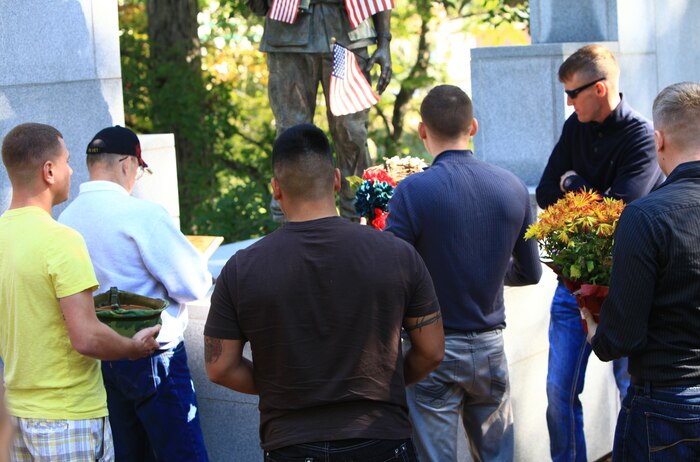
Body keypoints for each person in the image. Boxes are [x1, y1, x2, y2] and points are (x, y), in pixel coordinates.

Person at [203, 123, 444, 461]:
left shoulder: (242, 269)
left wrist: (283, 387)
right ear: (335, 179)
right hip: (379, 438)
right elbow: (431, 350)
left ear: (276, 188)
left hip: (291, 443)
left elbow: (219, 367)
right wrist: (382, 385)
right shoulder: (396, 254)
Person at [386, 84, 543, 461]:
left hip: (431, 348)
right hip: (490, 346)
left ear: (423, 131)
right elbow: (532, 272)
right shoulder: (513, 188)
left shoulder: (411, 192)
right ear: (472, 127)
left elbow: (392, 276)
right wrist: (487, 268)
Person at [0, 122, 160, 461]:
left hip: (14, 415)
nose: (72, 170)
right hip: (67, 417)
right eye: (68, 161)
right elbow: (86, 337)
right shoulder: (62, 240)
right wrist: (132, 348)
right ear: (49, 170)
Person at [535, 44, 664, 462]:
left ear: (601, 89)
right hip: (571, 287)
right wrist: (590, 195)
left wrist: (573, 185)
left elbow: (621, 215)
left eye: (573, 93)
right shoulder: (576, 127)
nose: (568, 103)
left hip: (623, 286)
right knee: (559, 392)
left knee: (632, 389)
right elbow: (543, 192)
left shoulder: (641, 136)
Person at [59, 126, 212, 461]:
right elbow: (194, 285)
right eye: (140, 170)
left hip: (101, 359)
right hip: (154, 356)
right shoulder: (143, 214)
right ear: (128, 164)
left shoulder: (66, 220)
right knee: (183, 455)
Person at [583, 81, 700, 461]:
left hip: (668, 400)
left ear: (658, 140)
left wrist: (596, 331)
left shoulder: (645, 216)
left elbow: (621, 338)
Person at [246, 0, 392, 221]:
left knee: (351, 131)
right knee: (291, 132)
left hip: (346, 32)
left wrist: (384, 41)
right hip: (288, 35)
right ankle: (295, 219)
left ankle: (359, 214)